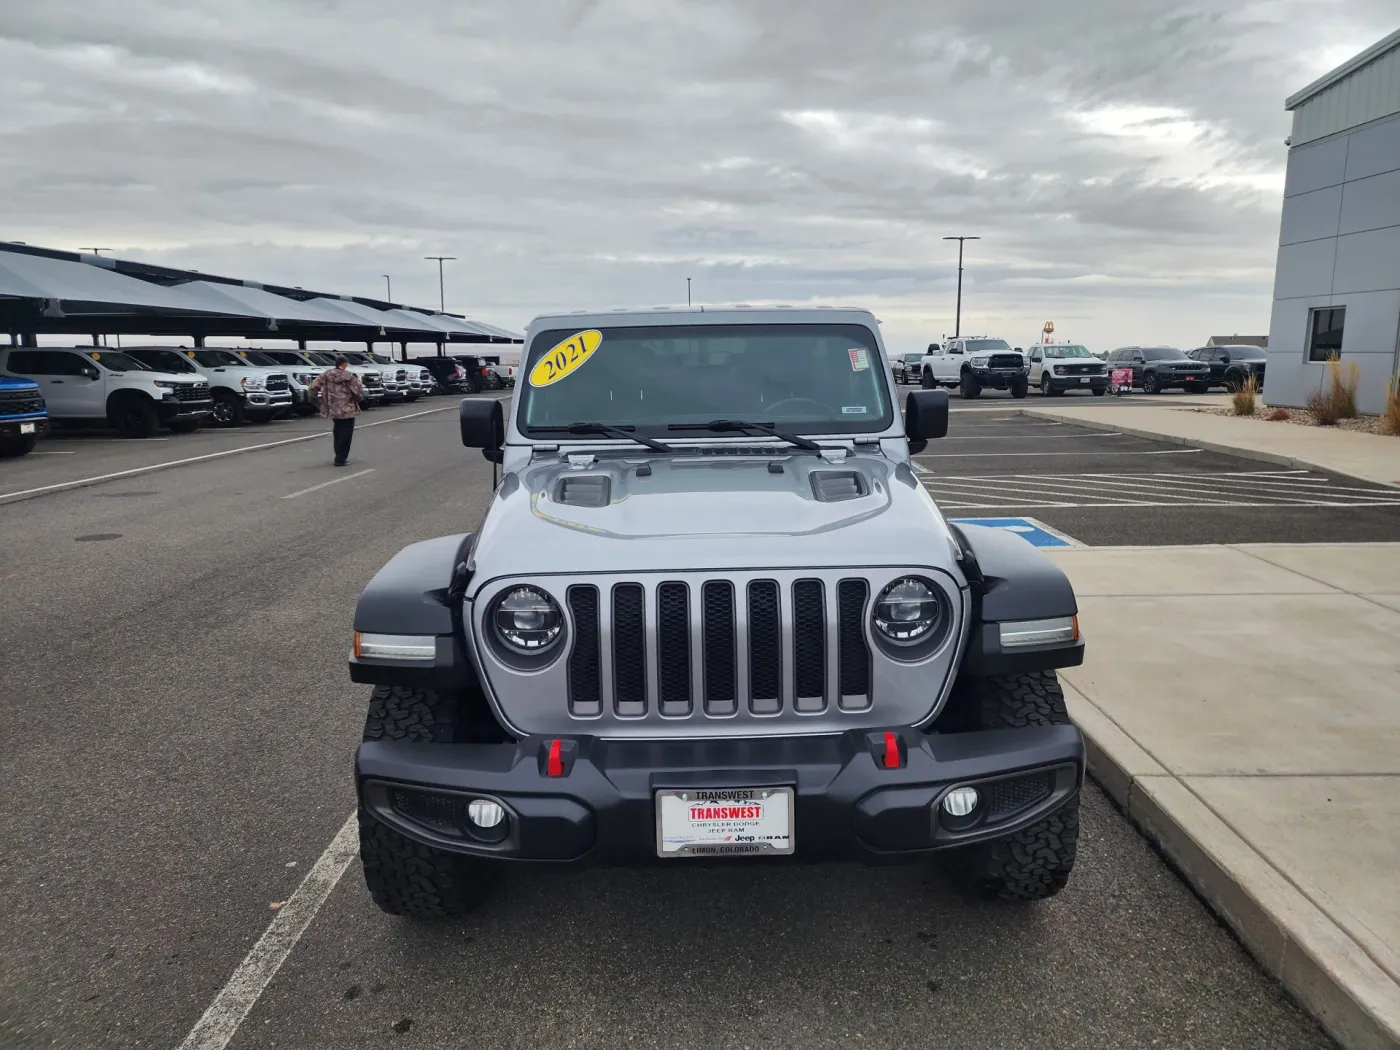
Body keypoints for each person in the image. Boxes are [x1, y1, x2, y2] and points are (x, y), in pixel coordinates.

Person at [308, 356, 366, 466]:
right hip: (347, 409)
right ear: (344, 364)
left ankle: (338, 456)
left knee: (338, 431)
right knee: (346, 434)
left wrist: (317, 403)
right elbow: (358, 391)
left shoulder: (325, 375)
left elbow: (312, 388)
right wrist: (357, 400)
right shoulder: (348, 376)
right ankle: (341, 459)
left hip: (333, 408)